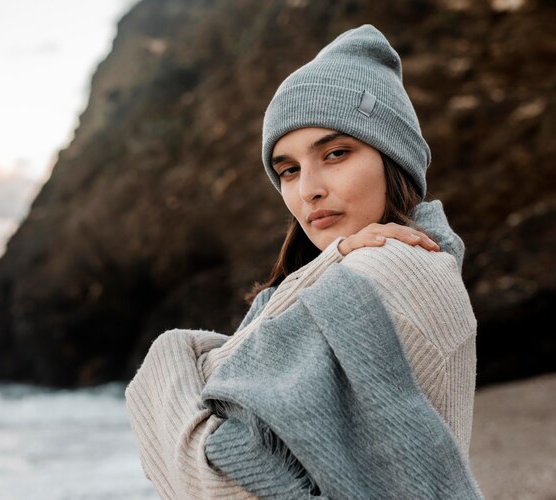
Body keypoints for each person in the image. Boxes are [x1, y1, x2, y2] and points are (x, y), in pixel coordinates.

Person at [126, 24, 482, 499]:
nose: (308, 188)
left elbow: (217, 484)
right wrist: (326, 262)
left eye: (336, 153)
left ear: (392, 158)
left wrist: (168, 356)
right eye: (288, 170)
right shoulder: (389, 266)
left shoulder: (390, 271)